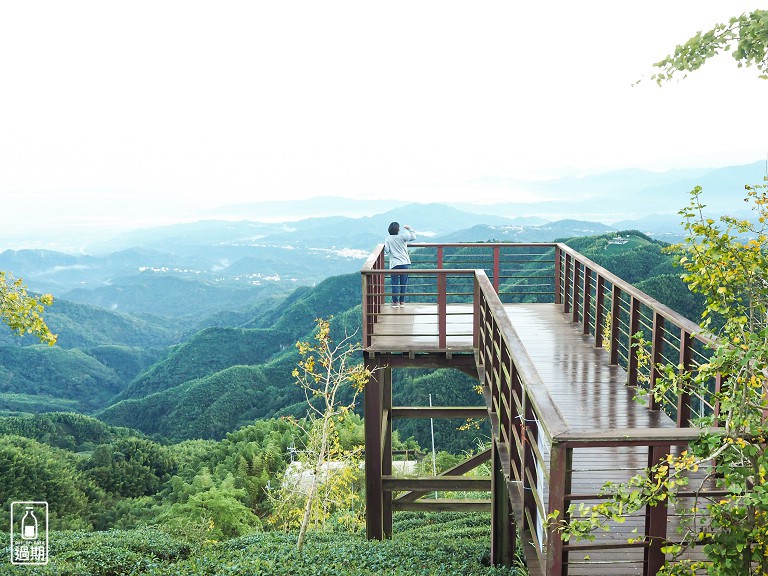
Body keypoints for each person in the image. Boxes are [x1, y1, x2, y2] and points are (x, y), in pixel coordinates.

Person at [383, 221, 416, 307]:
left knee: (395, 284)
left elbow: (386, 250)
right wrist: (409, 228)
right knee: (403, 283)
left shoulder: (388, 239)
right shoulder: (402, 236)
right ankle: (402, 302)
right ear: (398, 229)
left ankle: (395, 302)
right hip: (404, 263)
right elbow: (413, 237)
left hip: (394, 264)